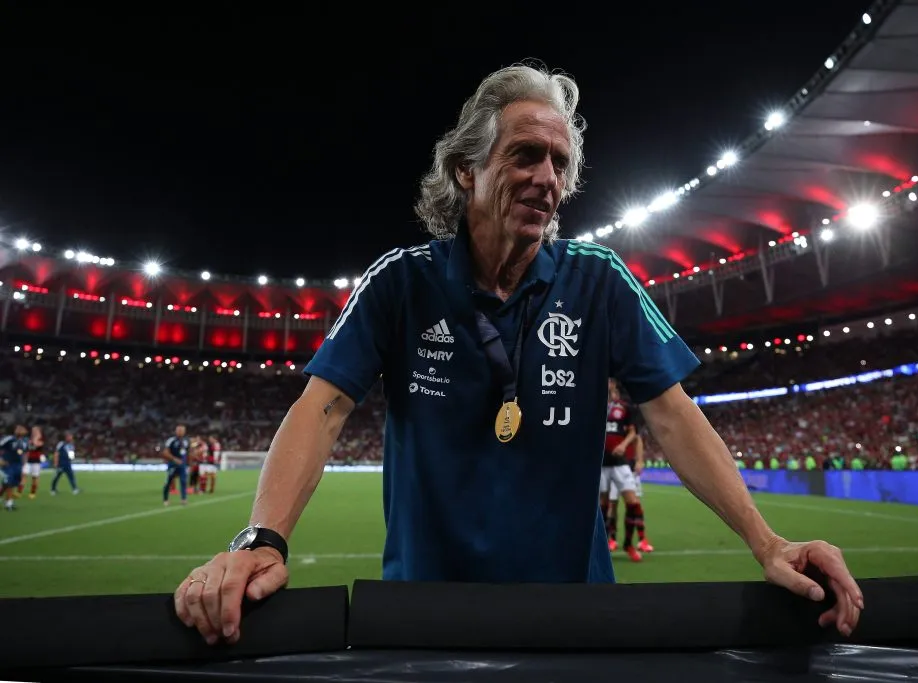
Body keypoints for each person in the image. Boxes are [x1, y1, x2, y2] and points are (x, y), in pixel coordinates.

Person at [174, 63, 863, 646]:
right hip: (425, 620)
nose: (547, 177)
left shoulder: (601, 280)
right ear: (466, 171)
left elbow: (674, 416)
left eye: (560, 163)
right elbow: (321, 406)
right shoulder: (400, 281)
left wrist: (767, 541)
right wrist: (263, 538)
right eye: (525, 155)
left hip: (578, 618)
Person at [600, 378, 645, 562]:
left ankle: (629, 544)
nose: (608, 382)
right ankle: (602, 545)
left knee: (633, 503)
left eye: (610, 380)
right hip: (601, 463)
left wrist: (624, 445)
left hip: (620, 462)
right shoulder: (593, 405)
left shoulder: (624, 407)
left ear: (615, 384)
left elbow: (633, 432)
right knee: (603, 507)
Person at [1, 425, 29, 511]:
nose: (20, 430)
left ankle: (8, 501)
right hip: (8, 464)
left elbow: (24, 453)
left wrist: (24, 463)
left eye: (22, 429)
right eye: (18, 429)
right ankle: (9, 503)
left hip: (18, 465)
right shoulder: (9, 439)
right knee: (9, 482)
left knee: (11, 484)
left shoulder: (25, 441)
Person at [162, 424, 190, 506]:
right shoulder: (171, 440)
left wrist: (189, 462)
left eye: (182, 430)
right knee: (168, 482)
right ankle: (165, 499)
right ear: (176, 431)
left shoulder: (187, 441)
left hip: (183, 465)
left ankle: (183, 499)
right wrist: (174, 459)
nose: (180, 432)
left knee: (183, 481)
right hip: (173, 464)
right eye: (179, 430)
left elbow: (187, 452)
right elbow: (165, 452)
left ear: (184, 431)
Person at [18, 425, 45, 499]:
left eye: (35, 431)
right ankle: (19, 492)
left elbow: (36, 446)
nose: (33, 432)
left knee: (34, 478)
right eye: (33, 431)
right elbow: (27, 450)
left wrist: (36, 438)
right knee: (23, 476)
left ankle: (32, 493)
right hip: (28, 461)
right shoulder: (29, 440)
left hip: (36, 462)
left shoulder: (40, 440)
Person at [50, 431, 80, 495]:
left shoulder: (71, 445)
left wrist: (71, 458)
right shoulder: (61, 444)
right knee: (57, 477)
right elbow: (56, 453)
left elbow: (71, 455)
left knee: (71, 476)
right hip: (61, 464)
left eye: (71, 436)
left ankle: (74, 489)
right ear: (66, 437)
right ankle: (53, 489)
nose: (71, 438)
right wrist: (56, 462)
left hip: (68, 464)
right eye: (70, 436)